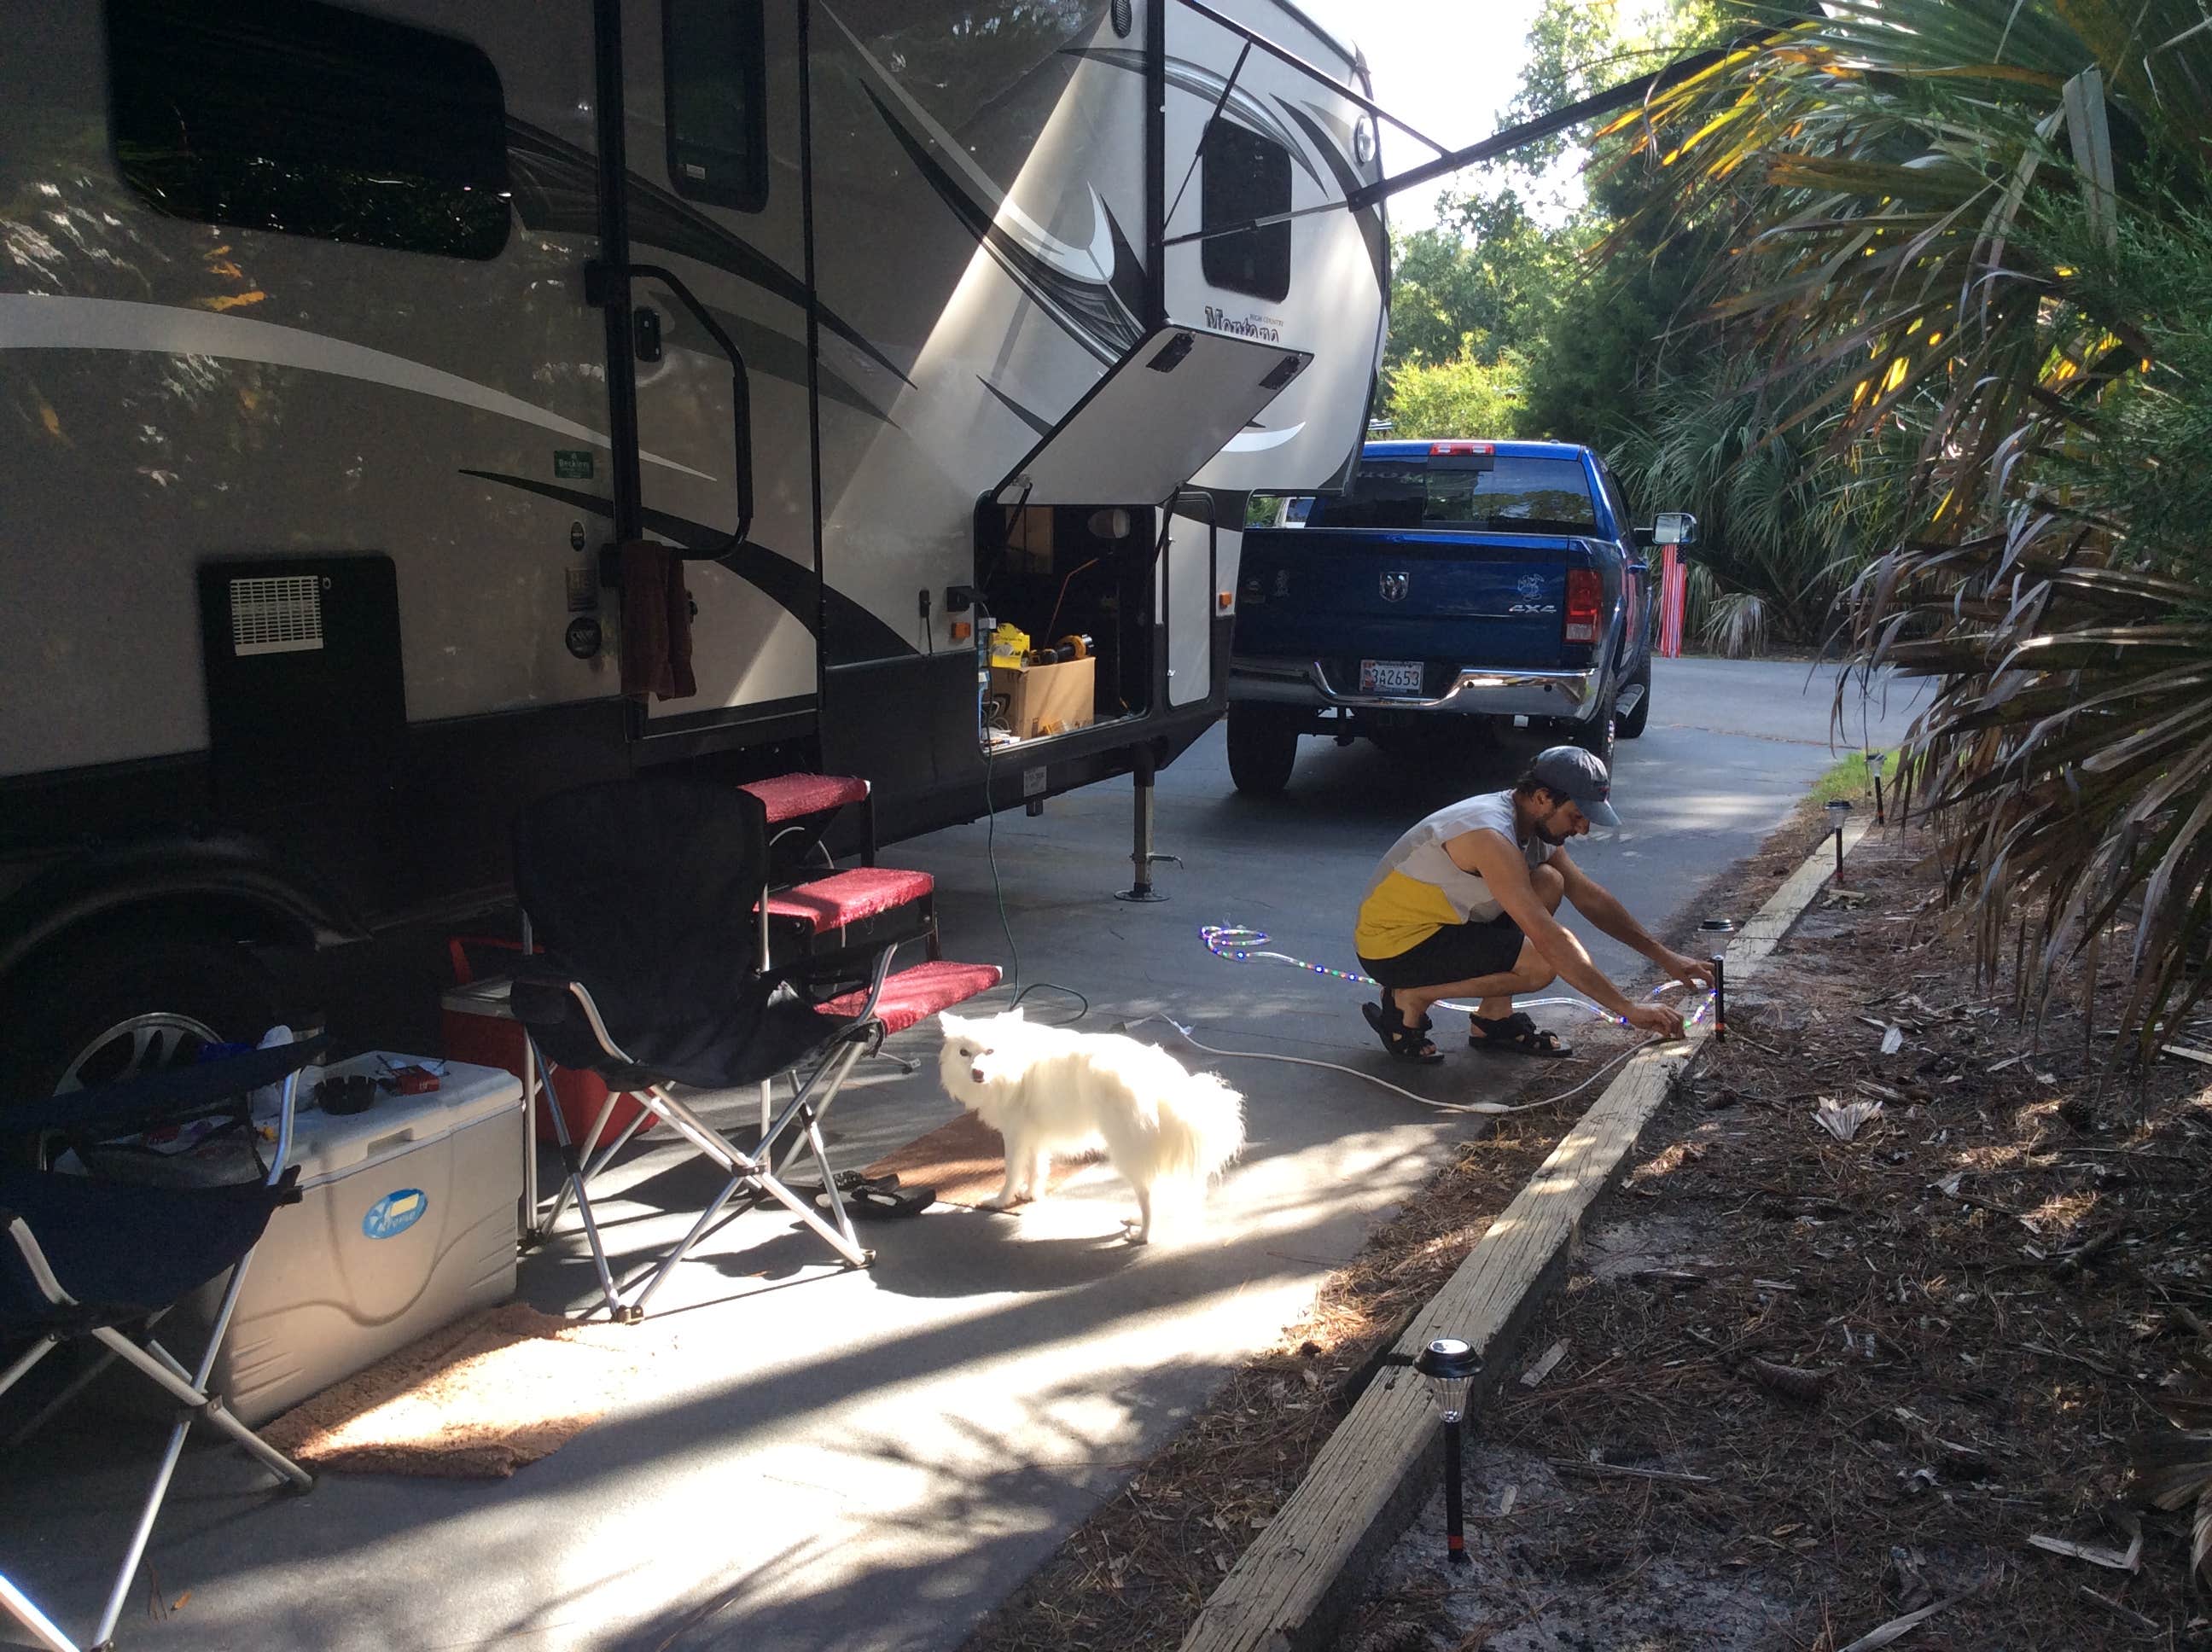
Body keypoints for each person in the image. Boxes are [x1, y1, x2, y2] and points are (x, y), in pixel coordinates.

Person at [1352, 747, 1708, 1064]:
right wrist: (1626, 1009)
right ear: (1542, 798)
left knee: (1550, 881)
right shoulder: (1489, 835)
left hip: (1445, 926)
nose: (1583, 828)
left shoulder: (1532, 825)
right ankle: (1410, 997)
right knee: (1540, 964)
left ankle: (1494, 1020)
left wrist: (1666, 957)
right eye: (1576, 815)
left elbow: (1589, 897)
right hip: (1394, 947)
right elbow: (1547, 937)